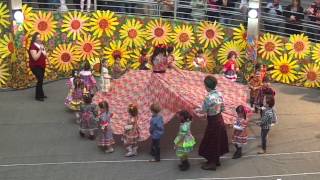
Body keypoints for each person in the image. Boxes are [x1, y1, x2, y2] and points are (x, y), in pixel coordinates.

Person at [93, 44, 248, 141]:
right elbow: (171, 67)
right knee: (177, 94)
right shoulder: (164, 58)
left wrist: (176, 71)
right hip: (162, 78)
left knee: (159, 94)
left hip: (155, 78)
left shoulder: (154, 58)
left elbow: (158, 67)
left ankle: (160, 108)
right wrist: (181, 73)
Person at [195, 75, 229, 171]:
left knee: (210, 141)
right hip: (219, 119)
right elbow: (223, 108)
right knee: (217, 140)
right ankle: (215, 160)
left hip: (213, 122)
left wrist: (196, 110)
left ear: (207, 86)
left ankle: (212, 163)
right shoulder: (219, 94)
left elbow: (203, 111)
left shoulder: (208, 98)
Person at [28, 32, 49, 102]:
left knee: (41, 80)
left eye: (40, 37)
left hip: (42, 65)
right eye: (37, 37)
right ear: (34, 38)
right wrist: (40, 49)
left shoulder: (41, 44)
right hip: (35, 66)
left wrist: (48, 60)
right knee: (40, 79)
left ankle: (41, 94)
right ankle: (37, 96)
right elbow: (35, 58)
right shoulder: (32, 47)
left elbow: (45, 54)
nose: (39, 39)